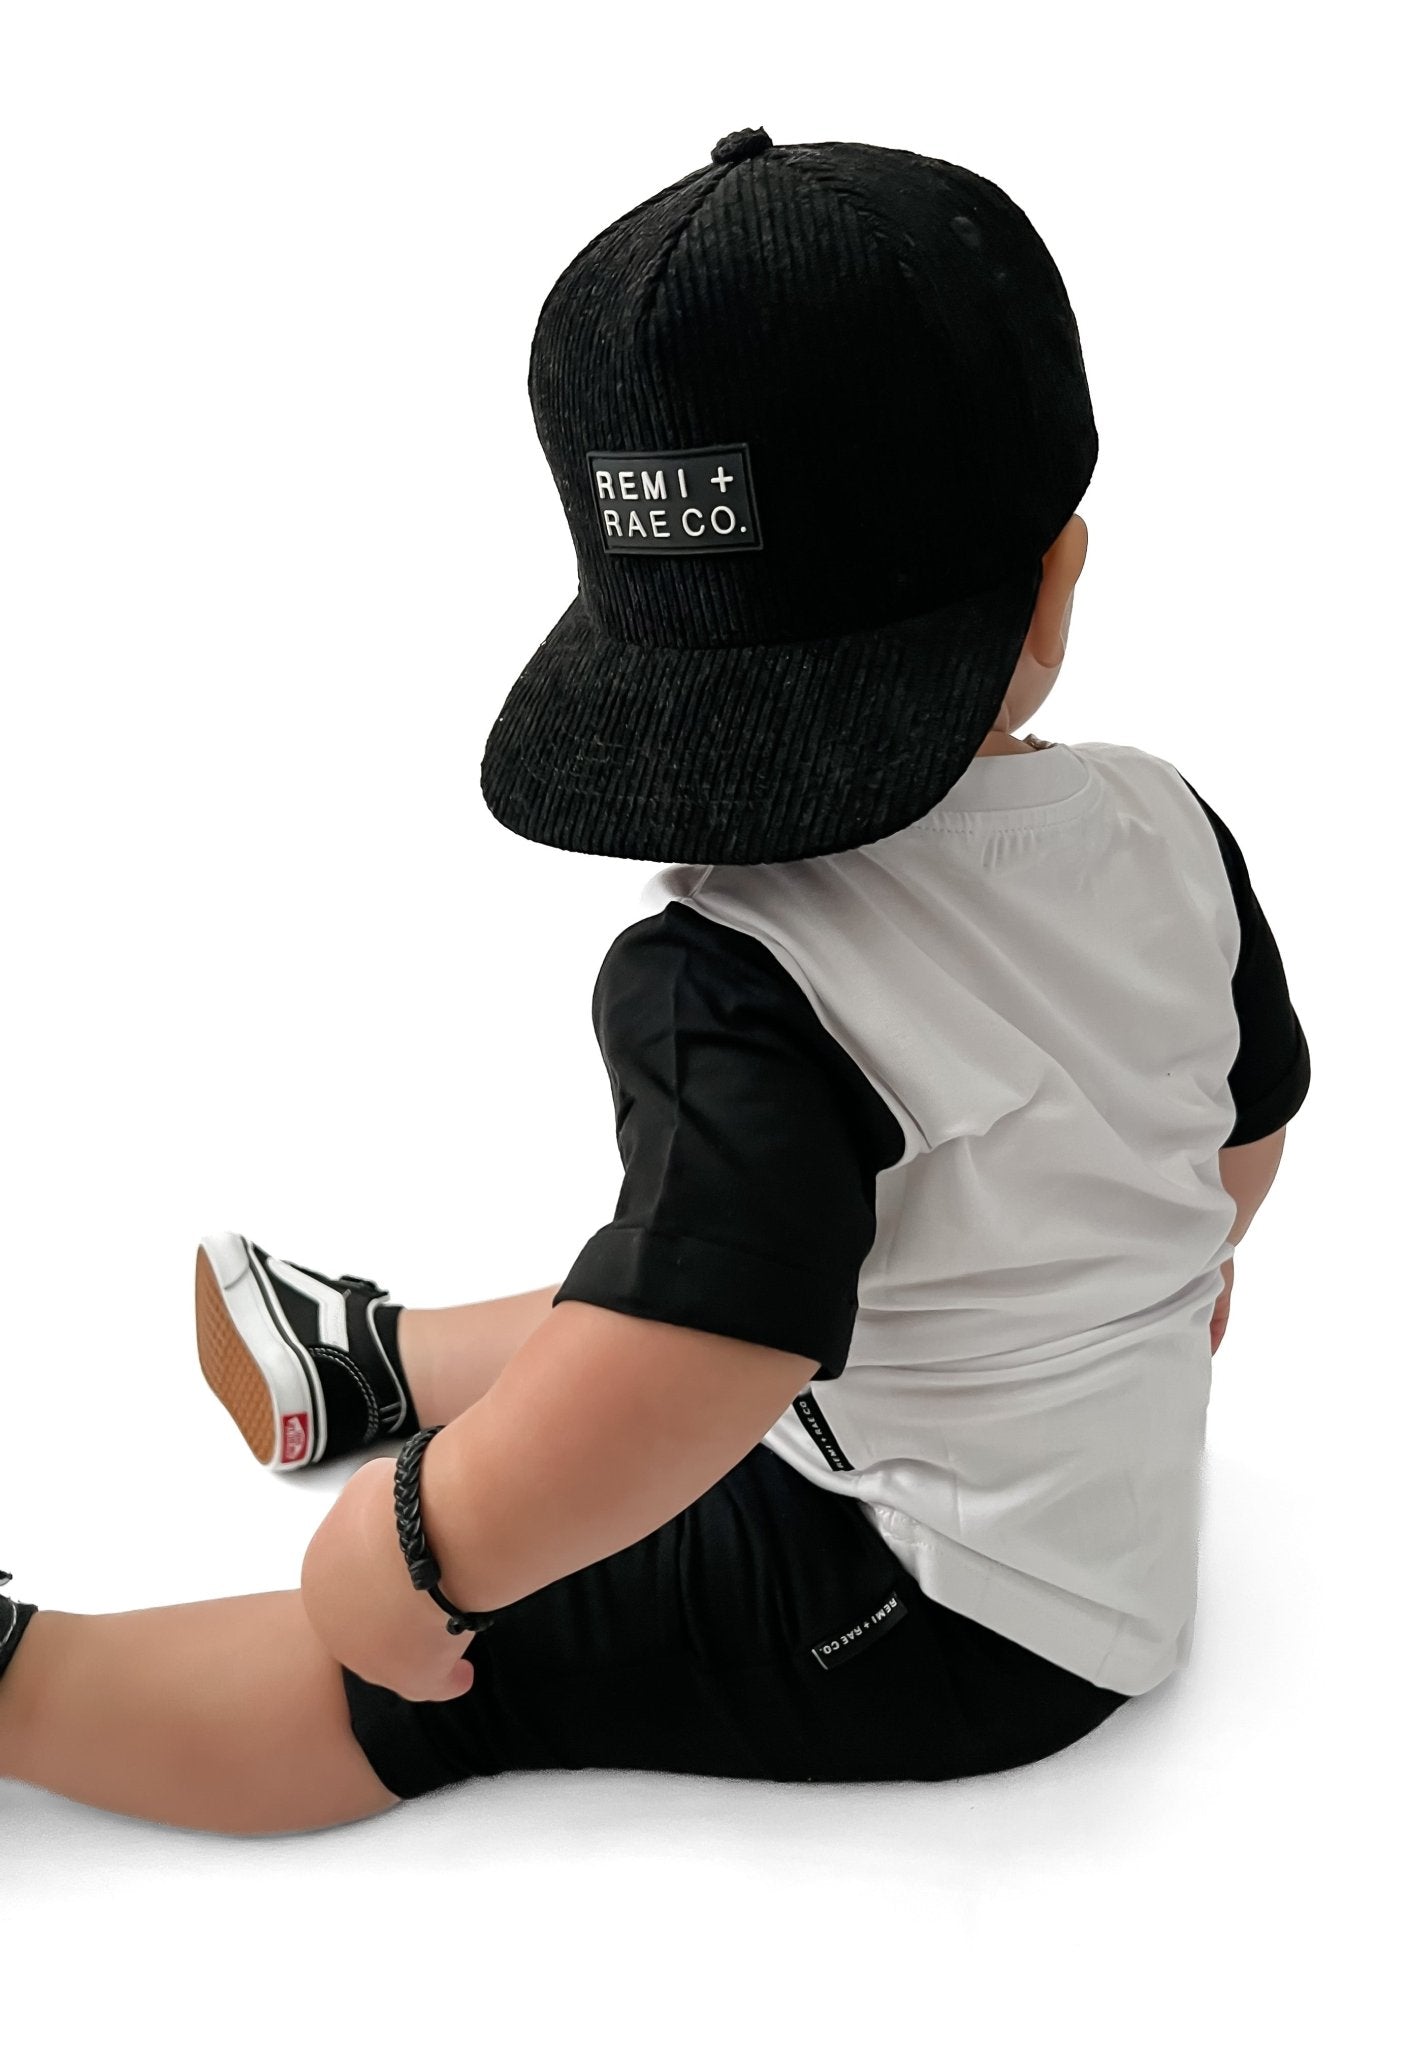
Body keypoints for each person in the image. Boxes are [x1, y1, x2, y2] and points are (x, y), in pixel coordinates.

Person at [0, 127, 1310, 1835]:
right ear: (1060, 574)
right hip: (1083, 1488)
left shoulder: (731, 973)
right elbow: (1236, 1138)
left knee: (437, 1658)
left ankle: (32, 1685)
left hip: (950, 1605)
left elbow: (702, 1362)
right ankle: (377, 1359)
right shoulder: (1164, 825)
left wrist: (418, 1545)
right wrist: (1156, 1282)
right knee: (728, 1250)